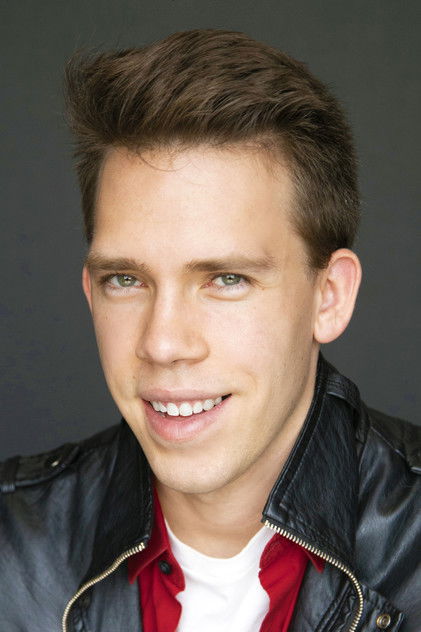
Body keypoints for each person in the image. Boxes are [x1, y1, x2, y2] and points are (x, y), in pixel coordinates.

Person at [0, 29, 419, 632]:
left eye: (226, 279)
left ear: (329, 296)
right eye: (126, 279)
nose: (163, 343)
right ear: (90, 292)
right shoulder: (13, 541)